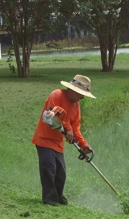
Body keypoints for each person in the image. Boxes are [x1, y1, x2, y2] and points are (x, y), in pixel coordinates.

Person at [31, 75, 96, 206]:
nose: (82, 98)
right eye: (81, 94)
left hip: (58, 143)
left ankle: (58, 196)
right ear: (73, 90)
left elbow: (75, 129)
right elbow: (51, 116)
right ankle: (49, 199)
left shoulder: (76, 106)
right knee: (49, 169)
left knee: (61, 173)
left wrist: (84, 145)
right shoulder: (56, 95)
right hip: (44, 139)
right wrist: (67, 129)